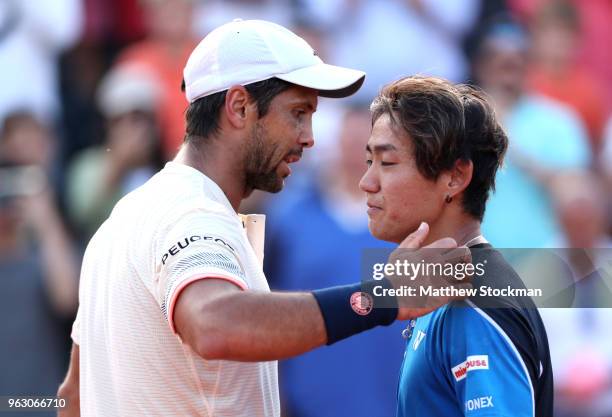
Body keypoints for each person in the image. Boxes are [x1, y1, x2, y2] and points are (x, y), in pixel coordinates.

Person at [57, 20, 471, 417]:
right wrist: (384, 296)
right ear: (239, 106)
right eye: (297, 113)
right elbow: (214, 323)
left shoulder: (125, 217)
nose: (309, 137)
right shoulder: (191, 211)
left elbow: (73, 395)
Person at [358, 76, 553, 416]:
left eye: (387, 163)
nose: (366, 182)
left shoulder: (475, 305)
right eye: (368, 162)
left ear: (456, 177)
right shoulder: (440, 286)